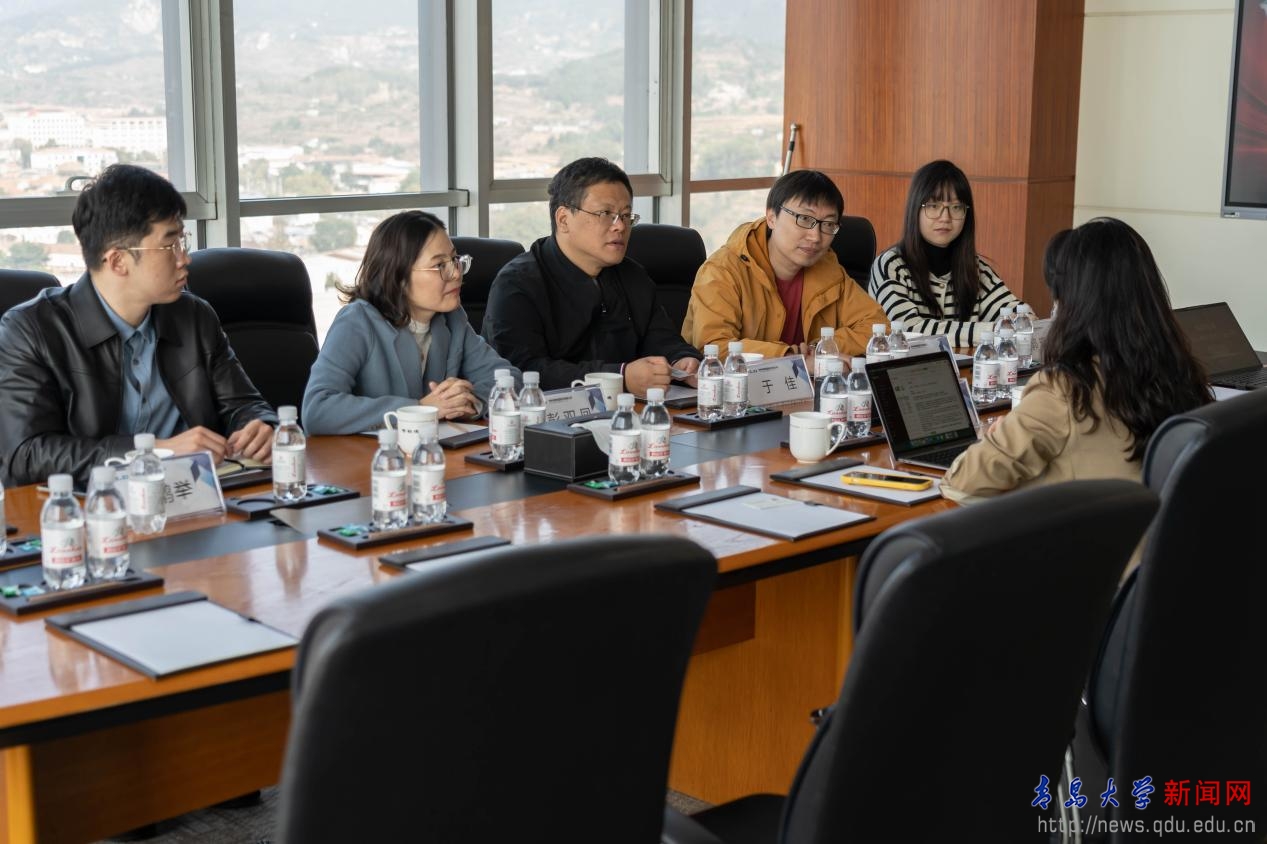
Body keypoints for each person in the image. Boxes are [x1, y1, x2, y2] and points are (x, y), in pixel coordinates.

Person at [0, 164, 276, 488]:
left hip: (192, 496)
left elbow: (243, 405)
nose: (184, 258)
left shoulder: (194, 317)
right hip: (91, 507)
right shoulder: (30, 330)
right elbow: (25, 456)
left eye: (182, 240)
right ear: (118, 261)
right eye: (170, 245)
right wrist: (154, 452)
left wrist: (261, 427)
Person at [940, 217, 1211, 506]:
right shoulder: (1179, 372)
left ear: (1074, 301)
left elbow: (963, 483)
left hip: (1097, 534)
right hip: (1153, 530)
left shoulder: (1066, 388)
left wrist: (994, 440)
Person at [481, 157, 701, 393]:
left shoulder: (632, 275)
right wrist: (620, 377)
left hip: (633, 410)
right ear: (563, 220)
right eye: (605, 213)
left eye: (626, 216)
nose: (620, 226)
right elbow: (523, 371)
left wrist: (682, 359)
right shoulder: (518, 284)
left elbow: (662, 339)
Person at [302, 210, 518, 434]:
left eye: (455, 260)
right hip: (370, 454)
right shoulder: (357, 322)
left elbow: (511, 381)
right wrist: (420, 410)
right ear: (399, 276)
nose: (456, 273)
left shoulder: (452, 319)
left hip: (434, 450)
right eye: (439, 265)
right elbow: (317, 409)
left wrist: (467, 404)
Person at [682, 169, 887, 363]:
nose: (815, 237)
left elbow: (878, 327)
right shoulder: (722, 270)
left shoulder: (828, 269)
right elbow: (714, 347)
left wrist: (820, 350)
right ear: (772, 218)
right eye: (804, 219)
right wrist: (791, 358)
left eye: (828, 224)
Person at [869, 160, 1021, 347]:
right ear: (915, 209)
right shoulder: (891, 266)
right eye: (933, 206)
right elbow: (908, 331)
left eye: (956, 207)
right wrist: (993, 331)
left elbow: (1020, 316)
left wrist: (1018, 322)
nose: (945, 217)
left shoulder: (976, 270)